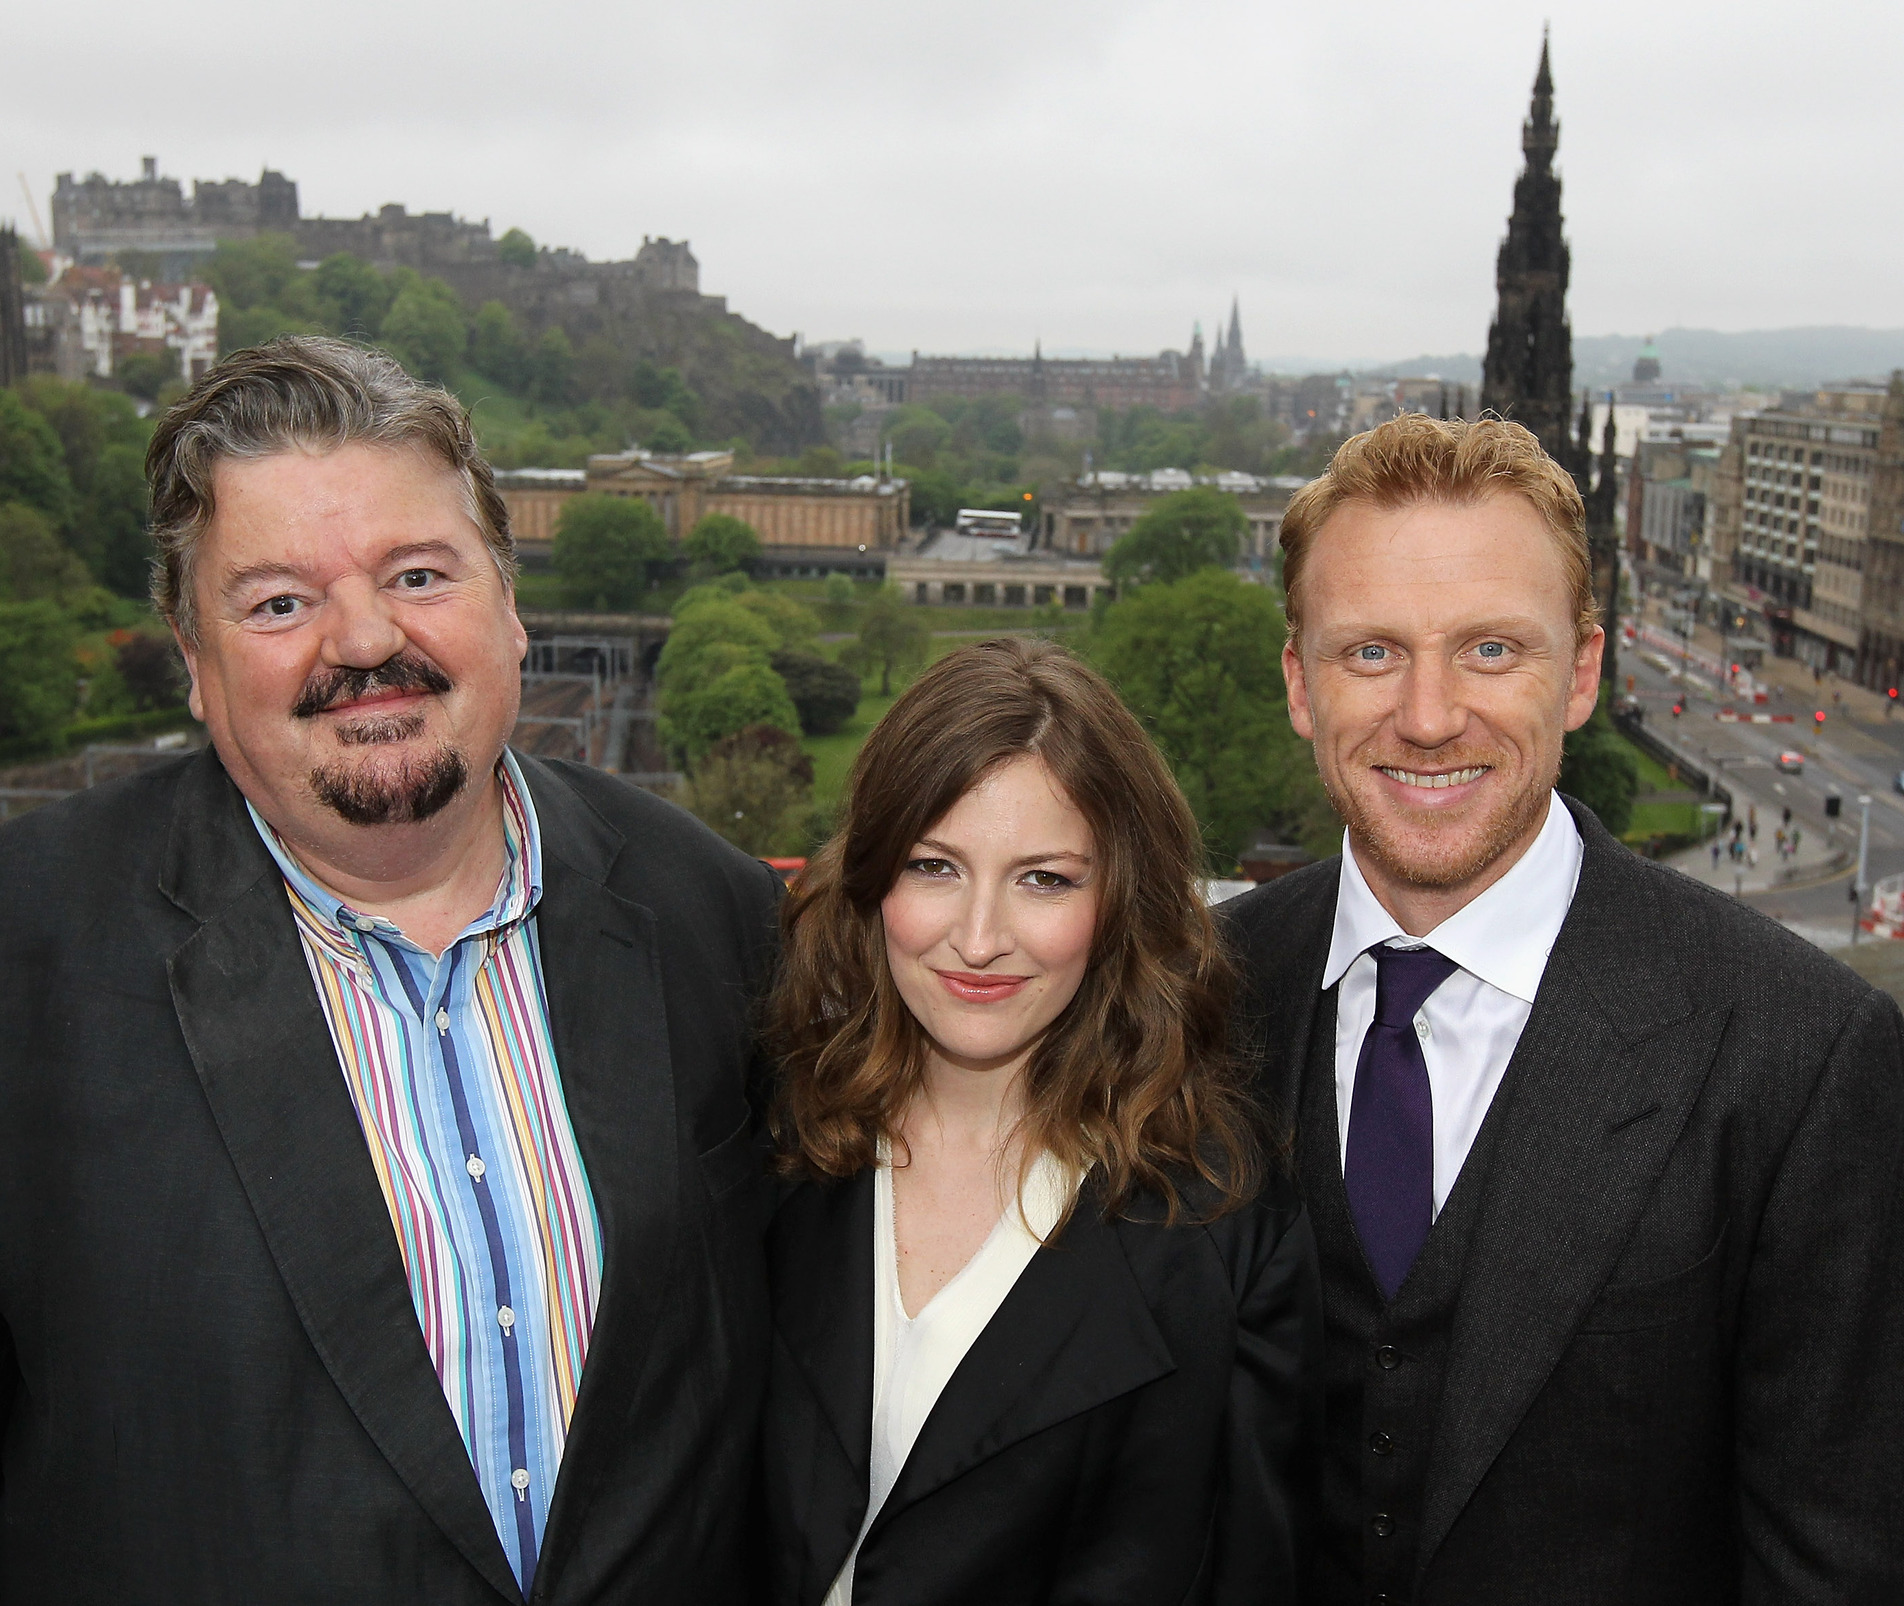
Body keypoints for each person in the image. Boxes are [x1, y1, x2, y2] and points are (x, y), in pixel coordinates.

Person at [0, 337, 782, 1603]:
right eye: (278, 601)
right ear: (194, 661)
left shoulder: (713, 913)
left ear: (510, 604)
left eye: (417, 573)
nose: (364, 638)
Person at [1218, 412, 1904, 1603]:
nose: (1428, 715)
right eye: (1370, 652)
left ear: (1581, 673)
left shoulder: (1802, 1053)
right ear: (1298, 682)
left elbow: (1832, 1560)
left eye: (1490, 650)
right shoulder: (1198, 995)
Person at [761, 638, 1318, 1606]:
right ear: (871, 879)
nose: (977, 937)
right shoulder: (766, 1148)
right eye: (933, 865)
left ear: (1118, 901)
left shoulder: (1224, 1223)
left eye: (1044, 878)